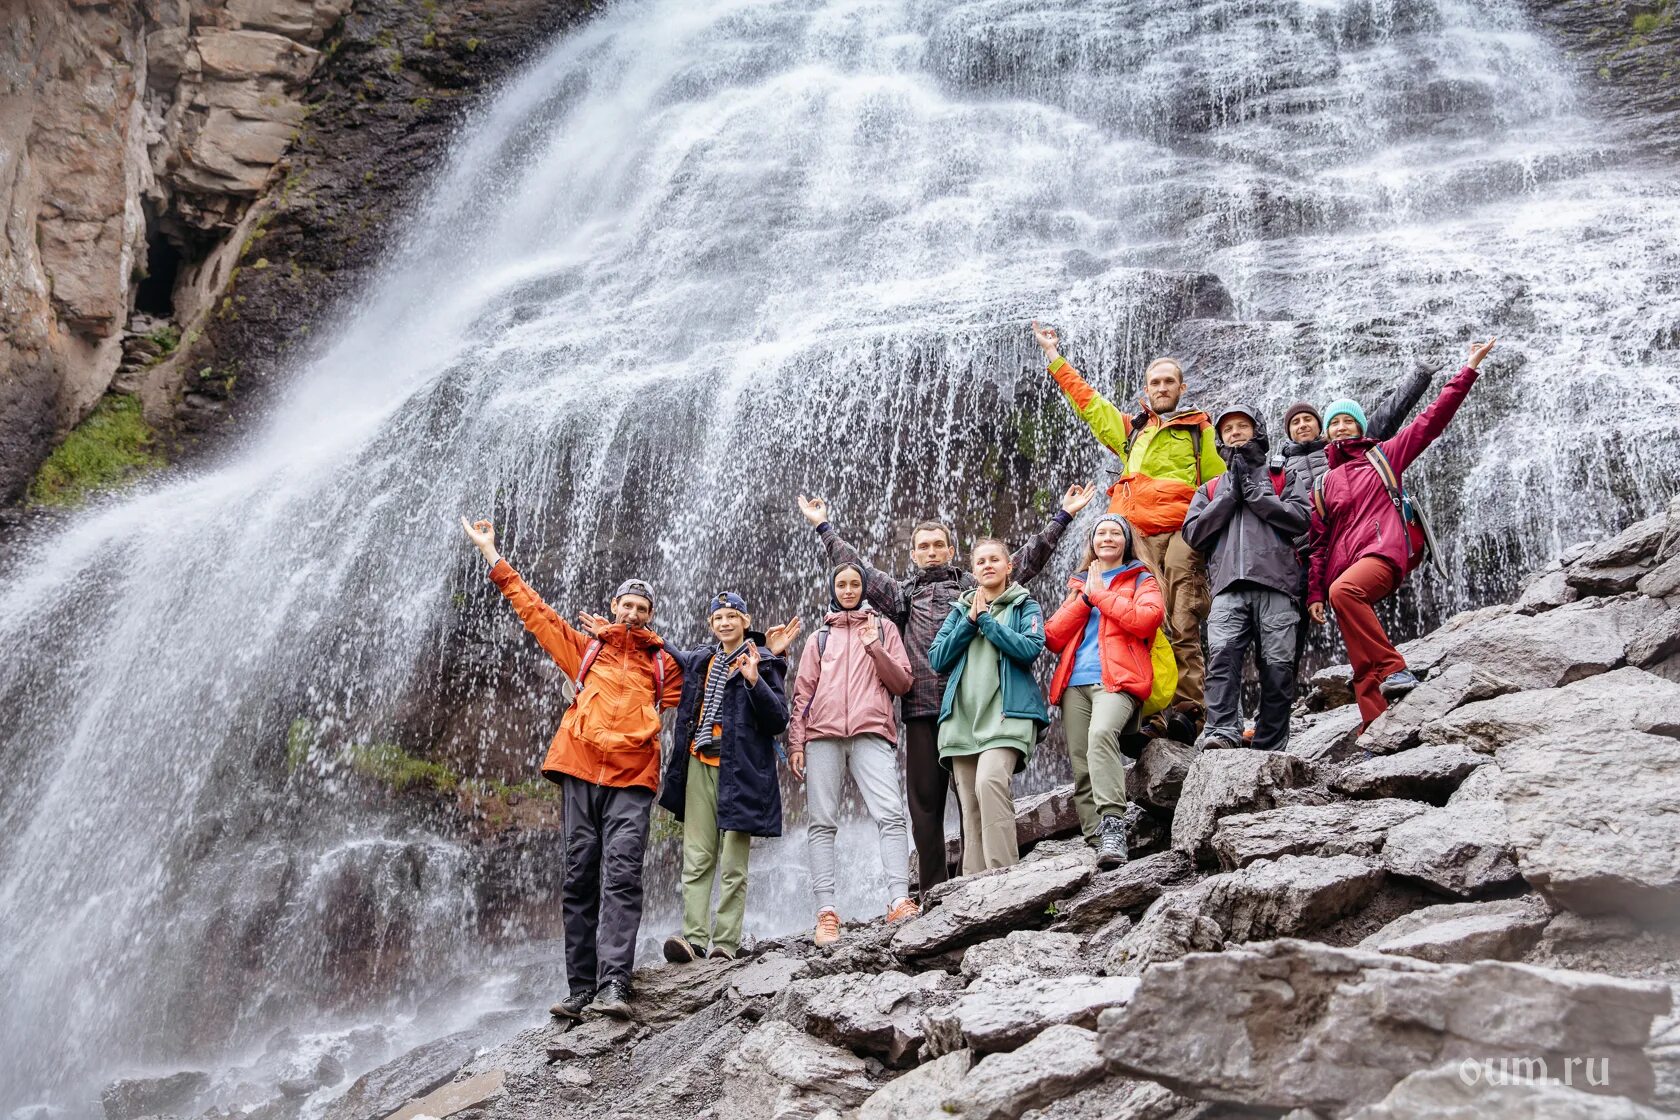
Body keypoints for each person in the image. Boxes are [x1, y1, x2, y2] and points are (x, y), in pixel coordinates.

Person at [796, 483, 1095, 897]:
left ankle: (980, 879)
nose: (932, 551)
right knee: (924, 803)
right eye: (924, 546)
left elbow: (1023, 561)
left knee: (974, 796)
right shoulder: (903, 597)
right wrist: (823, 526)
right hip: (922, 708)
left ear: (951, 550)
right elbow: (858, 571)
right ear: (914, 554)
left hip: (971, 708)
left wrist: (1063, 517)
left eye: (939, 544)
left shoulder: (973, 588)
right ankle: (935, 892)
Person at [459, 516, 682, 1022]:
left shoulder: (663, 666)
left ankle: (615, 984)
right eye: (626, 605)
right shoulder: (585, 650)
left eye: (641, 610)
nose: (631, 614)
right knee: (579, 877)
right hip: (581, 771)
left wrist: (765, 660)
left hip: (633, 778)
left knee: (622, 876)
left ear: (650, 618)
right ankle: (581, 987)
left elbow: (703, 693)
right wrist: (492, 555)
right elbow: (534, 612)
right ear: (613, 607)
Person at [1031, 321, 1223, 739]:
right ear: (1146, 389)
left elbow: (1220, 485)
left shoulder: (1198, 430)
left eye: (1169, 380)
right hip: (1133, 534)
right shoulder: (1133, 430)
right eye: (1155, 381)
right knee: (1144, 624)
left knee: (1182, 617)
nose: (1162, 386)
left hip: (1180, 532)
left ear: (1181, 387)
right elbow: (1089, 403)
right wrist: (1053, 356)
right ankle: (1151, 711)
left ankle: (1188, 711)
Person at [1307, 339, 1498, 727]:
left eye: (1348, 421)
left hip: (1380, 553)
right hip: (1341, 573)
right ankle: (1376, 733)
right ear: (1326, 435)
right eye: (1334, 424)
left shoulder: (1384, 456)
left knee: (1345, 591)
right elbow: (1318, 545)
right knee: (1360, 663)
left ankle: (1395, 667)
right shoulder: (1322, 484)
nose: (1341, 428)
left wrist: (1469, 369)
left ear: (1361, 427)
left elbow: (1431, 420)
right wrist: (1313, 593)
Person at [657, 592, 799, 964]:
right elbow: (666, 648)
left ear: (745, 621)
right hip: (699, 763)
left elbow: (778, 720)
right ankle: (694, 938)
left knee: (734, 861)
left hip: (741, 770)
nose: (725, 623)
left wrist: (754, 680)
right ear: (711, 624)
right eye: (718, 617)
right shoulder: (701, 661)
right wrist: (631, 629)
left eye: (732, 616)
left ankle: (726, 942)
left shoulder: (764, 661)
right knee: (698, 856)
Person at [787, 564, 918, 947]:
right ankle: (826, 912)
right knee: (821, 823)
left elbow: (903, 682)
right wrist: (796, 742)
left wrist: (874, 645)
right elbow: (803, 693)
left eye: (854, 584)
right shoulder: (819, 638)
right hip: (821, 736)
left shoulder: (885, 629)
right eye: (841, 584)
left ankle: (899, 898)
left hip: (871, 731)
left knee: (890, 815)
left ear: (864, 589)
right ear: (833, 588)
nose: (848, 590)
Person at [1181, 406, 1312, 752]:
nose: (1235, 432)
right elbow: (1193, 534)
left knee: (1278, 668)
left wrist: (1256, 495)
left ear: (1258, 432)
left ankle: (1270, 743)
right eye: (1228, 429)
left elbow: (1301, 519)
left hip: (1278, 587)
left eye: (1243, 426)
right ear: (1219, 438)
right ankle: (1222, 732)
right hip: (1226, 588)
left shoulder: (1282, 475)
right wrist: (1229, 497)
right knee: (1222, 663)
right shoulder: (1209, 488)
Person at [1044, 514, 1164, 868]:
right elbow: (1052, 635)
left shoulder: (1142, 578)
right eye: (1101, 533)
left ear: (1126, 540)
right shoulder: (1079, 584)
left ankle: (1114, 823)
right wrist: (1085, 599)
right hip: (1075, 685)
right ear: (1092, 542)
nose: (1107, 537)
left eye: (1115, 532)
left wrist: (1102, 596)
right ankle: (1098, 842)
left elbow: (1147, 619)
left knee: (1101, 735)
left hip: (1118, 680)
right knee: (1081, 763)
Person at [926, 539, 1049, 873]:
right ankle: (973, 885)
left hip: (1008, 714)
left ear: (1009, 566)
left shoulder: (1025, 606)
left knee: (990, 782)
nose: (988, 565)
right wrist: (969, 621)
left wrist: (988, 624)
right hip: (962, 719)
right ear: (974, 570)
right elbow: (937, 658)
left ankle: (1004, 877)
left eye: (995, 559)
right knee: (970, 803)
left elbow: (1030, 648)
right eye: (981, 561)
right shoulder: (959, 610)